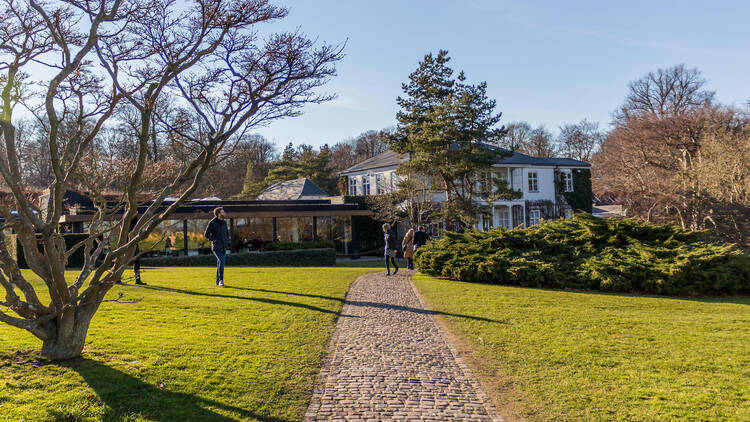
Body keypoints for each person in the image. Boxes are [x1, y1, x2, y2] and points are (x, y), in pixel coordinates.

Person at [204, 207, 229, 287]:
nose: (224, 213)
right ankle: (221, 280)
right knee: (222, 261)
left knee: (219, 264)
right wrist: (214, 240)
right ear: (218, 214)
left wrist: (227, 240)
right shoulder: (212, 222)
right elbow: (206, 234)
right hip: (216, 247)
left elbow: (227, 233)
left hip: (223, 246)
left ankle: (217, 282)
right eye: (222, 212)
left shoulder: (224, 222)